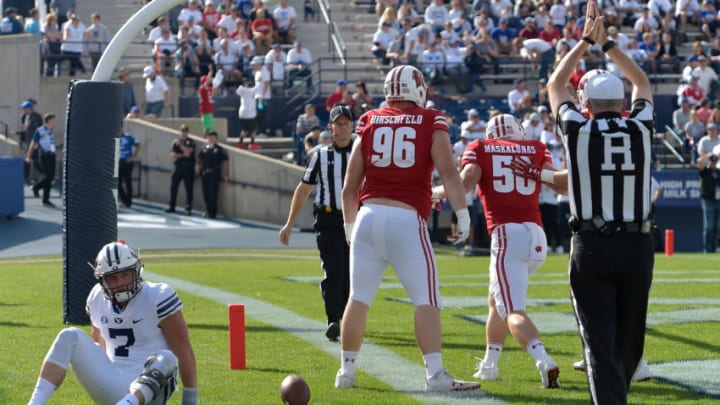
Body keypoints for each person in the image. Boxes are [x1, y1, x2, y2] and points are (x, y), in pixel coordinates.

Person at [336, 65, 479, 392]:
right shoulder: (431, 120)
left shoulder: (370, 119)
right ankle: (435, 375)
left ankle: (346, 373)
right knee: (427, 299)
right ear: (418, 89)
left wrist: (349, 227)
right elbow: (449, 172)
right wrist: (464, 216)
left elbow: (349, 187)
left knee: (358, 299)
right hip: (405, 220)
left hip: (368, 217)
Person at [541, 2, 655, 403]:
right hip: (637, 245)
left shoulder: (578, 129)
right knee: (629, 342)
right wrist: (609, 47)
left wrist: (585, 41)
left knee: (598, 341)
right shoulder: (640, 127)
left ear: (585, 104)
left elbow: (555, 85)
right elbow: (641, 82)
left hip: (592, 243)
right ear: (623, 104)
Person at [436, 114, 564, 388]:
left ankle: (544, 360)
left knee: (512, 310)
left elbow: (465, 185)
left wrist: (434, 193)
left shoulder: (481, 147)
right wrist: (535, 172)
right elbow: (560, 184)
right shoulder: (536, 148)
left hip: (508, 235)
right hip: (536, 236)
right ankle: (489, 365)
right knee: (497, 299)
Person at [28, 241, 198, 405]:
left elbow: (184, 351)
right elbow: (99, 346)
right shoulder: (96, 298)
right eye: (113, 278)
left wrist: (189, 401)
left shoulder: (159, 296)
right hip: (112, 383)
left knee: (167, 358)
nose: (121, 283)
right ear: (102, 281)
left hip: (150, 391)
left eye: (126, 274)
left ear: (136, 271)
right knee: (69, 335)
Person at [279, 105, 355, 341]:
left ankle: (345, 316)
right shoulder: (321, 155)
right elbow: (302, 190)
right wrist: (289, 223)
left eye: (346, 123)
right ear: (330, 127)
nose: (342, 128)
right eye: (338, 124)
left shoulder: (362, 153)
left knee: (352, 273)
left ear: (351, 125)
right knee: (334, 270)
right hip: (329, 218)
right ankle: (333, 319)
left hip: (355, 218)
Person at [25, 113, 58, 208]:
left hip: (52, 155)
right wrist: (28, 156)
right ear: (49, 120)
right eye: (54, 119)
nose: (55, 121)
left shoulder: (52, 130)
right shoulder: (39, 130)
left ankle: (39, 191)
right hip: (44, 156)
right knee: (48, 177)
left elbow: (50, 143)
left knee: (51, 178)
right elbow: (33, 144)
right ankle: (43, 196)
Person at [195, 131, 228, 219]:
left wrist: (225, 174)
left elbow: (225, 161)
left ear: (216, 138)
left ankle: (213, 213)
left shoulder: (219, 149)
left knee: (213, 194)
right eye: (209, 137)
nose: (211, 139)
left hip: (214, 173)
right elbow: (199, 157)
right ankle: (208, 211)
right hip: (205, 173)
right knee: (206, 194)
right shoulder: (204, 148)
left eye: (213, 137)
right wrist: (197, 165)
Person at [165, 125, 197, 215]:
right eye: (182, 131)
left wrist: (181, 146)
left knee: (189, 188)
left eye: (185, 131)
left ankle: (188, 207)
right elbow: (172, 154)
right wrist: (180, 154)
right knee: (173, 187)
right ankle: (172, 206)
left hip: (188, 167)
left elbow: (188, 154)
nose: (184, 133)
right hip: (178, 166)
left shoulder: (191, 141)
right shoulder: (176, 141)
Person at [697, 151, 720, 253]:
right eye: (711, 161)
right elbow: (699, 162)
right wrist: (707, 155)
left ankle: (715, 247)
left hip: (718, 201)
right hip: (708, 201)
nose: (713, 163)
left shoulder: (719, 172)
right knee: (709, 227)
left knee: (717, 227)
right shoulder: (705, 171)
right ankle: (708, 249)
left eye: (714, 162)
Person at [118, 128, 141, 208]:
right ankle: (124, 200)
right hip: (118, 163)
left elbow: (138, 145)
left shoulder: (128, 137)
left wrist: (133, 157)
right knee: (118, 183)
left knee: (128, 183)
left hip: (127, 162)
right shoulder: (115, 138)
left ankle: (128, 202)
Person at [198, 66, 215, 133]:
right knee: (207, 128)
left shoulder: (208, 89)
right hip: (206, 109)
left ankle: (207, 138)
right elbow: (208, 81)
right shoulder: (202, 88)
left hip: (209, 108)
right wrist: (211, 71)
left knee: (209, 127)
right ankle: (206, 140)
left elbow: (213, 89)